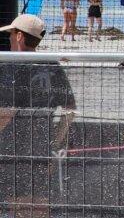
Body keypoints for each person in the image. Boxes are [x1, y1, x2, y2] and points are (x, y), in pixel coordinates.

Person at [0, 14, 76, 218]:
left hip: (13, 150)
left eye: (11, 34)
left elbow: (6, 113)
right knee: (40, 205)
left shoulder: (13, 65)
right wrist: (55, 142)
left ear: (19, 37)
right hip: (43, 147)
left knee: (18, 205)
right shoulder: (51, 64)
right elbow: (71, 110)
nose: (9, 39)